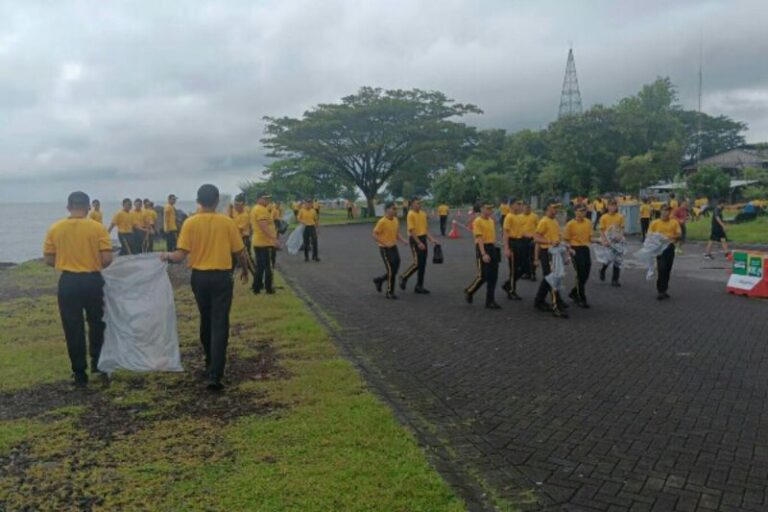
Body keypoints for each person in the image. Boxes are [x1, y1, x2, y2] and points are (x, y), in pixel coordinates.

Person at [162, 184, 248, 390]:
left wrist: (165, 256)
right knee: (220, 322)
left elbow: (180, 255)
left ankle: (209, 361)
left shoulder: (190, 223)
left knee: (206, 319)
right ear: (217, 201)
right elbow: (240, 252)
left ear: (198, 201)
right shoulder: (227, 222)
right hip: (221, 277)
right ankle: (216, 373)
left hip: (199, 278)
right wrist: (245, 269)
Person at [44, 191, 113, 387]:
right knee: (98, 323)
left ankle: (79, 372)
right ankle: (99, 365)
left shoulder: (56, 228)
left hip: (68, 282)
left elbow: (49, 259)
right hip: (92, 280)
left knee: (72, 327)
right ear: (89, 207)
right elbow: (107, 259)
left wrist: (68, 260)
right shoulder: (98, 228)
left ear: (68, 207)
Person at [464, 202, 501, 310]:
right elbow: (479, 238)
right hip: (483, 248)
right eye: (487, 208)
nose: (490, 210)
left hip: (492, 247)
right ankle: (470, 291)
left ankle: (490, 301)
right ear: (481, 209)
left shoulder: (491, 221)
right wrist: (483, 253)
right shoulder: (478, 221)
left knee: (493, 276)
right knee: (484, 275)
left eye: (491, 208)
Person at [533, 201, 568, 318]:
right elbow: (536, 238)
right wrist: (537, 257)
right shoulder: (543, 221)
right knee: (552, 278)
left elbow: (558, 238)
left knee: (549, 278)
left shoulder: (555, 221)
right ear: (548, 208)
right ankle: (555, 306)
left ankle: (539, 301)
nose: (556, 210)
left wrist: (566, 251)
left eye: (557, 208)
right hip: (547, 253)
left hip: (555, 253)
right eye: (554, 208)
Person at [399, 197, 438, 294]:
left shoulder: (423, 214)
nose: (419, 205)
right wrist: (418, 243)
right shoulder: (410, 214)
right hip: (415, 240)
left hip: (423, 238)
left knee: (422, 264)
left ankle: (419, 286)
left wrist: (431, 239)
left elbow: (425, 229)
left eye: (420, 203)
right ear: (411, 204)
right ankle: (404, 277)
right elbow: (411, 231)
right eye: (417, 203)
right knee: (417, 263)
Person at [373, 202, 409, 299]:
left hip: (393, 247)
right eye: (393, 208)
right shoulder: (382, 221)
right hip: (385, 249)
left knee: (394, 270)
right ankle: (389, 292)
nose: (395, 210)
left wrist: (403, 241)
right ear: (387, 209)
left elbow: (396, 234)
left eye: (396, 209)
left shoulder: (396, 220)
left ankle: (379, 280)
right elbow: (374, 235)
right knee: (390, 269)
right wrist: (385, 243)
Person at [649, 205, 681, 300]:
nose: (666, 213)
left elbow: (679, 234)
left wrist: (670, 237)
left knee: (667, 269)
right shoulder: (655, 223)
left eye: (668, 211)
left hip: (670, 247)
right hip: (659, 248)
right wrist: (657, 238)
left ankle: (665, 289)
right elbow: (649, 235)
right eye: (664, 211)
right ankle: (660, 290)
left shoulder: (674, 222)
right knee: (661, 268)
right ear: (660, 211)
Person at [251, 193, 280, 295]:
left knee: (260, 266)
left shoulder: (257, 208)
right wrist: (273, 239)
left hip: (259, 241)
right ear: (258, 199)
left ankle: (256, 287)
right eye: (265, 198)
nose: (267, 200)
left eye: (268, 198)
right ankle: (268, 288)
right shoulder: (261, 209)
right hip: (264, 242)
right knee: (267, 266)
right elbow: (263, 226)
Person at [564, 204, 593, 308]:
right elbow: (566, 240)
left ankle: (574, 292)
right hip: (575, 250)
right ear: (575, 212)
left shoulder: (588, 222)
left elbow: (590, 238)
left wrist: (601, 241)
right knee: (580, 273)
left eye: (584, 211)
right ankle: (581, 297)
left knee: (586, 272)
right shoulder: (570, 224)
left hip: (585, 249)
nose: (582, 213)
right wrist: (568, 252)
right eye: (580, 211)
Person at [501, 200, 525, 300]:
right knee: (514, 269)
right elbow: (505, 234)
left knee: (524, 267)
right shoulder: (509, 216)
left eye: (521, 204)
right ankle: (511, 291)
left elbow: (521, 232)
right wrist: (506, 248)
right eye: (518, 204)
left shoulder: (519, 216)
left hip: (520, 242)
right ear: (511, 205)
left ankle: (508, 284)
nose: (520, 206)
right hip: (512, 243)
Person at [598, 199, 625, 287]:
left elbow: (622, 228)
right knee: (608, 259)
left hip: (617, 241)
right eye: (610, 205)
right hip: (607, 240)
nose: (612, 207)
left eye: (614, 206)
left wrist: (620, 236)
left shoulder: (620, 216)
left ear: (616, 207)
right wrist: (604, 240)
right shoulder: (604, 217)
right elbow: (601, 230)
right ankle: (602, 269)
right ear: (607, 207)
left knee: (617, 260)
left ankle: (615, 280)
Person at [521, 203, 538, 280]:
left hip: (532, 239)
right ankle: (527, 273)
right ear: (523, 208)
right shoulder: (520, 217)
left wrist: (535, 237)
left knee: (532, 257)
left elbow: (538, 228)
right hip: (523, 239)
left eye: (529, 208)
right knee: (524, 257)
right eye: (526, 208)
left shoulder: (534, 216)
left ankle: (533, 273)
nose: (527, 209)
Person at [232, 194, 252, 262]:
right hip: (237, 238)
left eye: (238, 205)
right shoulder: (235, 213)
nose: (235, 206)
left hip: (244, 239)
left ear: (243, 205)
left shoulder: (245, 216)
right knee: (238, 258)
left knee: (247, 258)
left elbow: (238, 229)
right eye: (235, 204)